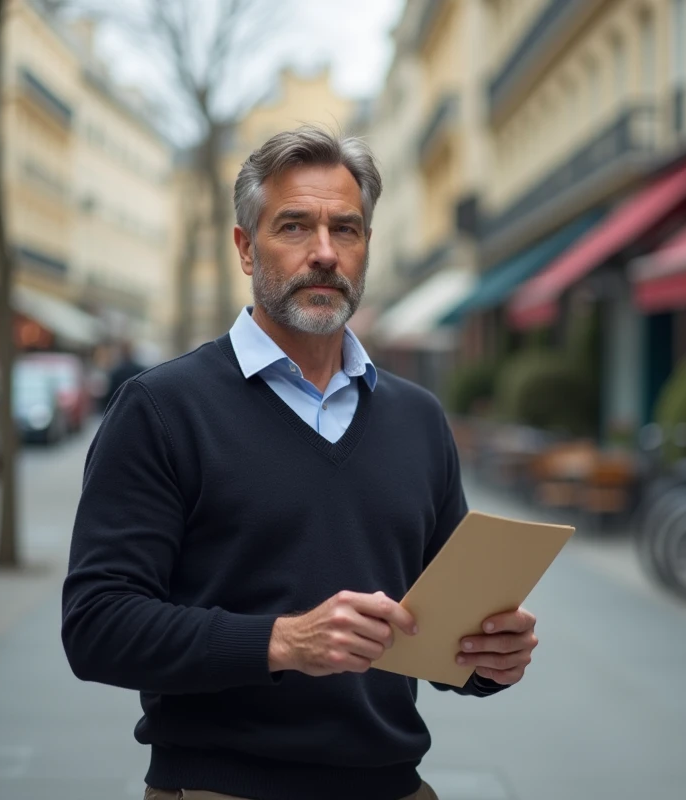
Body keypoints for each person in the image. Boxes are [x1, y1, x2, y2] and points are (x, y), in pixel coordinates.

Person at [60, 126, 540, 800]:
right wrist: (282, 641)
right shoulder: (162, 409)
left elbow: (439, 636)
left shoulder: (420, 420)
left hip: (395, 787)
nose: (324, 253)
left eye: (347, 229)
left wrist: (492, 658)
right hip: (219, 787)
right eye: (294, 226)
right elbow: (96, 625)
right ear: (244, 247)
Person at [104, 340, 145, 409]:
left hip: (119, 405)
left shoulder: (116, 370)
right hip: (135, 404)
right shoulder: (139, 369)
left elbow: (110, 393)